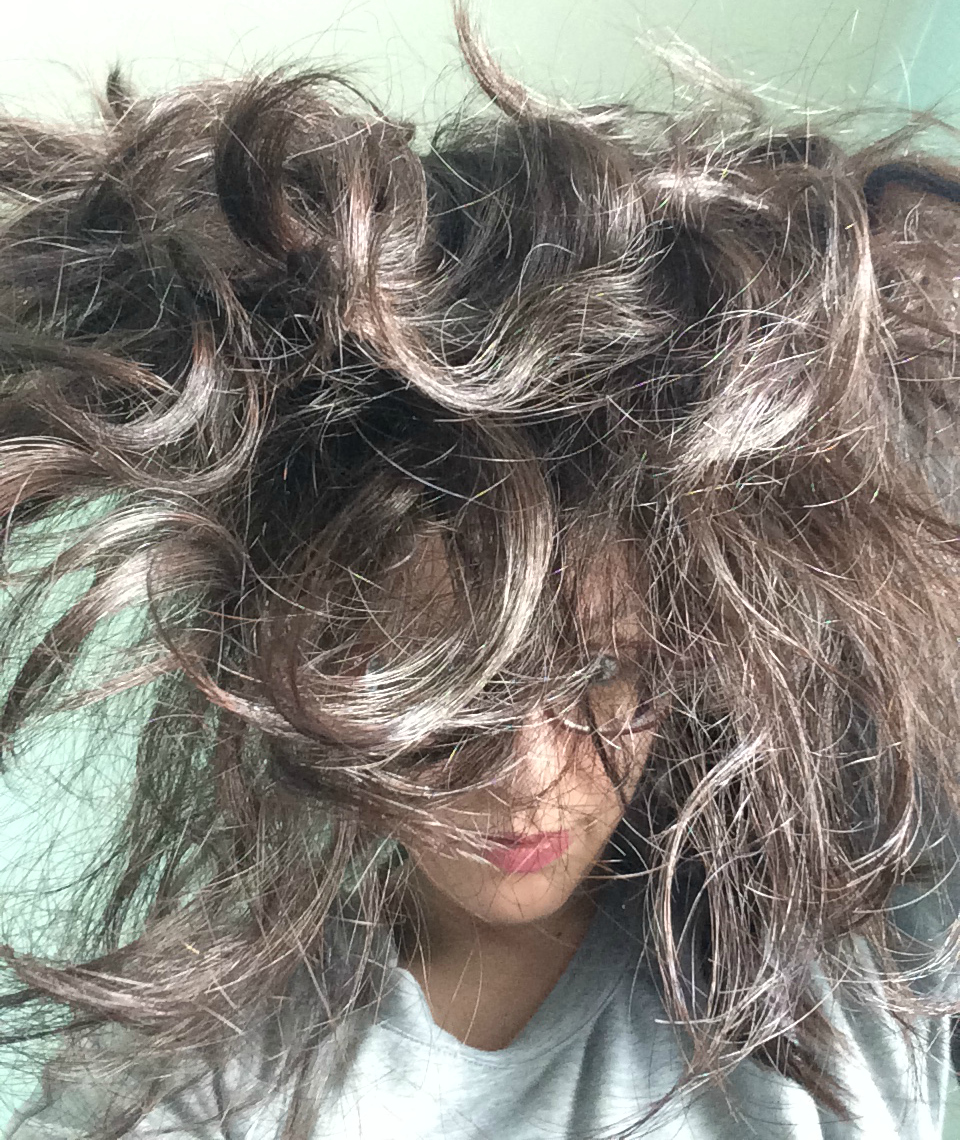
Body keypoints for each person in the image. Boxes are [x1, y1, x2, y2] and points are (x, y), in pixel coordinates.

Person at [0, 5, 958, 1137]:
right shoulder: (199, 1079)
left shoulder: (858, 921)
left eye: (603, 669)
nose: (527, 778)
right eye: (442, 681)